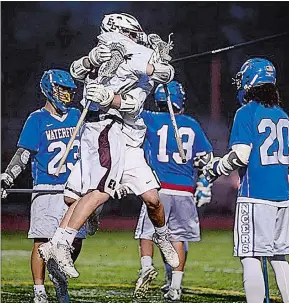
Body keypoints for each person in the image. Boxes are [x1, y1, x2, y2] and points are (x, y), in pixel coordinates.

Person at [38, 12, 179, 279]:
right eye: (131, 33)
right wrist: (91, 60)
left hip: (127, 139)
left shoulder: (137, 56)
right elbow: (77, 70)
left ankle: (162, 237)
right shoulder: (105, 52)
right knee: (80, 195)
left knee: (152, 200)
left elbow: (142, 95)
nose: (134, 38)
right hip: (104, 131)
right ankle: (60, 241)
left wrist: (108, 96)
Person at [203, 58, 289, 303]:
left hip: (255, 195)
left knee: (250, 257)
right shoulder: (282, 114)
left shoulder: (246, 112)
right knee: (279, 258)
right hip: (282, 198)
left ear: (249, 80)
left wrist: (216, 167)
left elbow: (241, 155)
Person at [0, 69, 86, 303]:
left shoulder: (78, 115)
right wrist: (8, 176)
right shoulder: (36, 119)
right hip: (47, 188)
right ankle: (39, 290)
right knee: (42, 241)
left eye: (69, 91)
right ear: (49, 90)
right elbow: (24, 153)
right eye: (61, 89)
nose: (66, 95)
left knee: (75, 241)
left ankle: (58, 276)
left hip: (75, 191)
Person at [129, 80, 213, 300]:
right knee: (178, 237)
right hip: (185, 190)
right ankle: (175, 286)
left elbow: (131, 109)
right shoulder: (192, 123)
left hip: (159, 188)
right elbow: (206, 158)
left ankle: (146, 267)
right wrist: (204, 182)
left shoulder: (150, 118)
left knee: (148, 232)